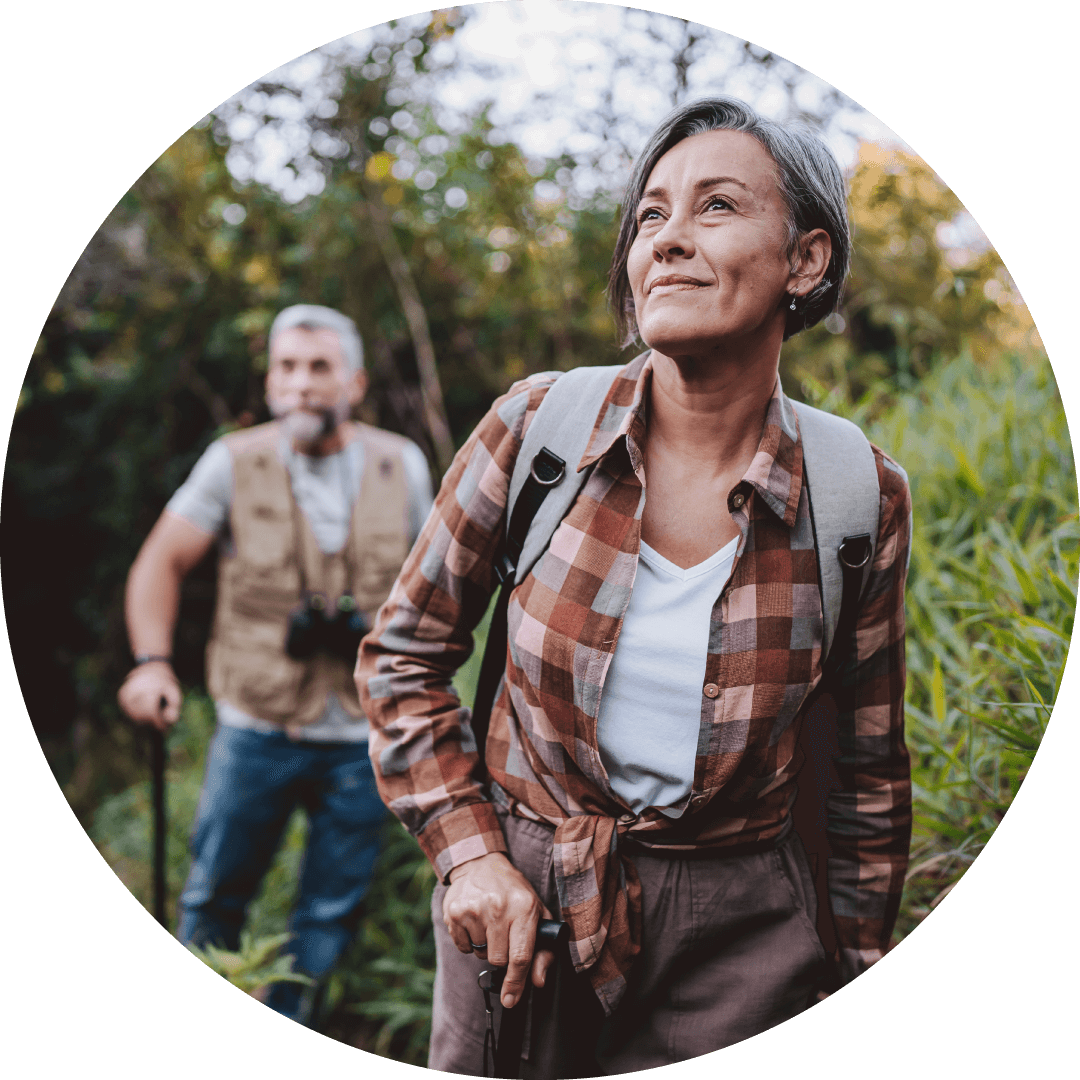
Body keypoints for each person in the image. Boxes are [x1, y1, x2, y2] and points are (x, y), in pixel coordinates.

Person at [356, 97, 912, 1073]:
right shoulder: (538, 431)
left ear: (806, 260)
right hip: (521, 911)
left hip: (742, 930)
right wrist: (471, 854)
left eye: (716, 206)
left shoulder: (856, 495)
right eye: (651, 214)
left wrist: (855, 957)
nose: (668, 238)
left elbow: (867, 771)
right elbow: (404, 657)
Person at [118, 303, 434, 1027]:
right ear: (268, 380)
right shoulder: (233, 462)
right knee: (213, 899)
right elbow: (160, 562)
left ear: (355, 383)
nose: (301, 384)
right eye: (286, 367)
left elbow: (434, 589)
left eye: (319, 367)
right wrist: (152, 664)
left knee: (328, 915)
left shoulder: (403, 464)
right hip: (255, 726)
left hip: (363, 736)